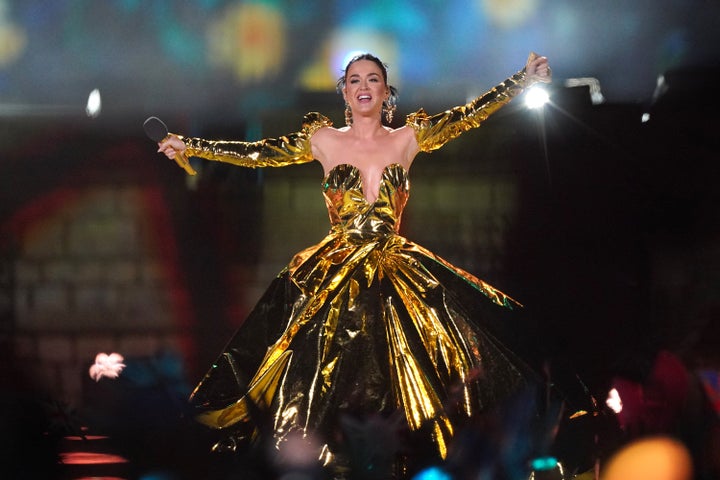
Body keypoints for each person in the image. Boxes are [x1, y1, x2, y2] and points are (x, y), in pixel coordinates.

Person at [157, 51, 551, 477]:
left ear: (386, 91)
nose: (364, 86)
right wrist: (192, 145)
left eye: (373, 79)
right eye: (355, 80)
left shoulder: (408, 138)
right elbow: (258, 153)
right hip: (335, 270)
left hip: (394, 269)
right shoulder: (323, 139)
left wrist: (521, 81)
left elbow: (469, 115)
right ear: (344, 92)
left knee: (423, 365)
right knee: (313, 376)